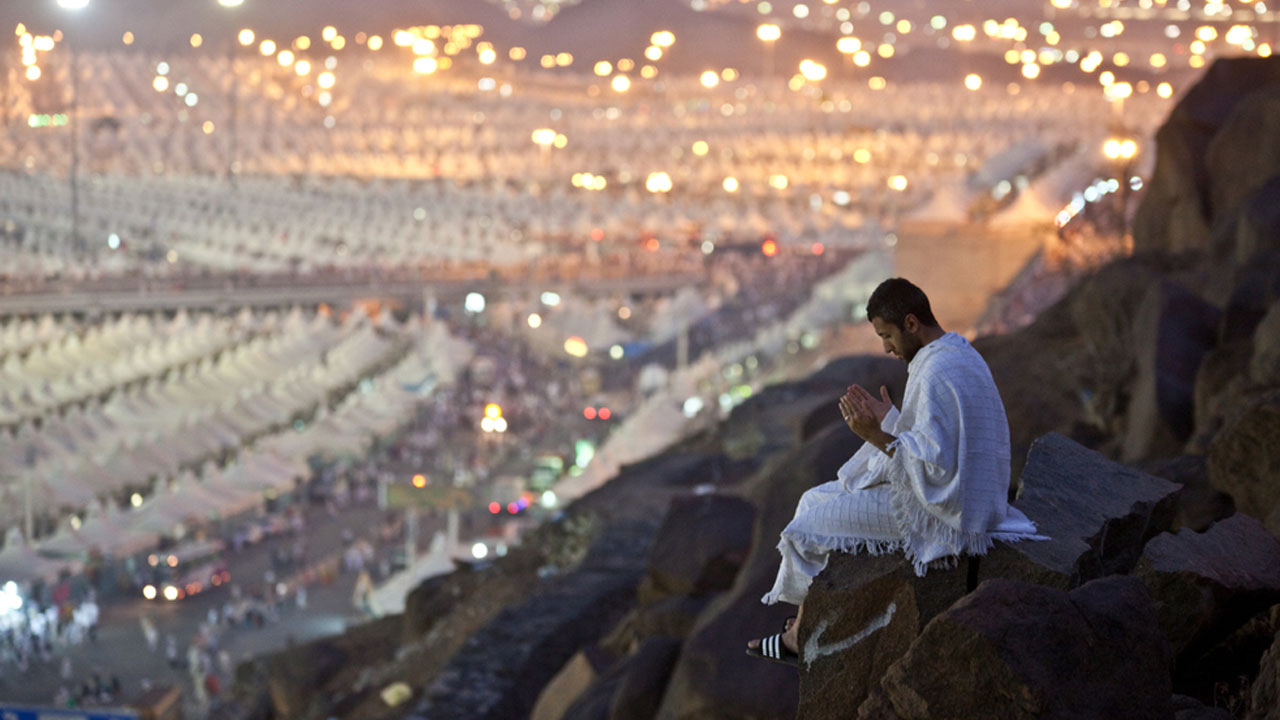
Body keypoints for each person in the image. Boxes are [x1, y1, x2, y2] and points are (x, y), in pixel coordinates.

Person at [747, 278, 1044, 665]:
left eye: (887, 335)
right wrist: (891, 418)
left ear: (910, 323)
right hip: (956, 493)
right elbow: (938, 444)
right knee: (810, 499)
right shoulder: (955, 352)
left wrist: (875, 433)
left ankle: (800, 635)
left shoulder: (938, 370)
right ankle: (803, 622)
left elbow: (935, 468)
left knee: (807, 527)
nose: (886, 348)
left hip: (946, 514)